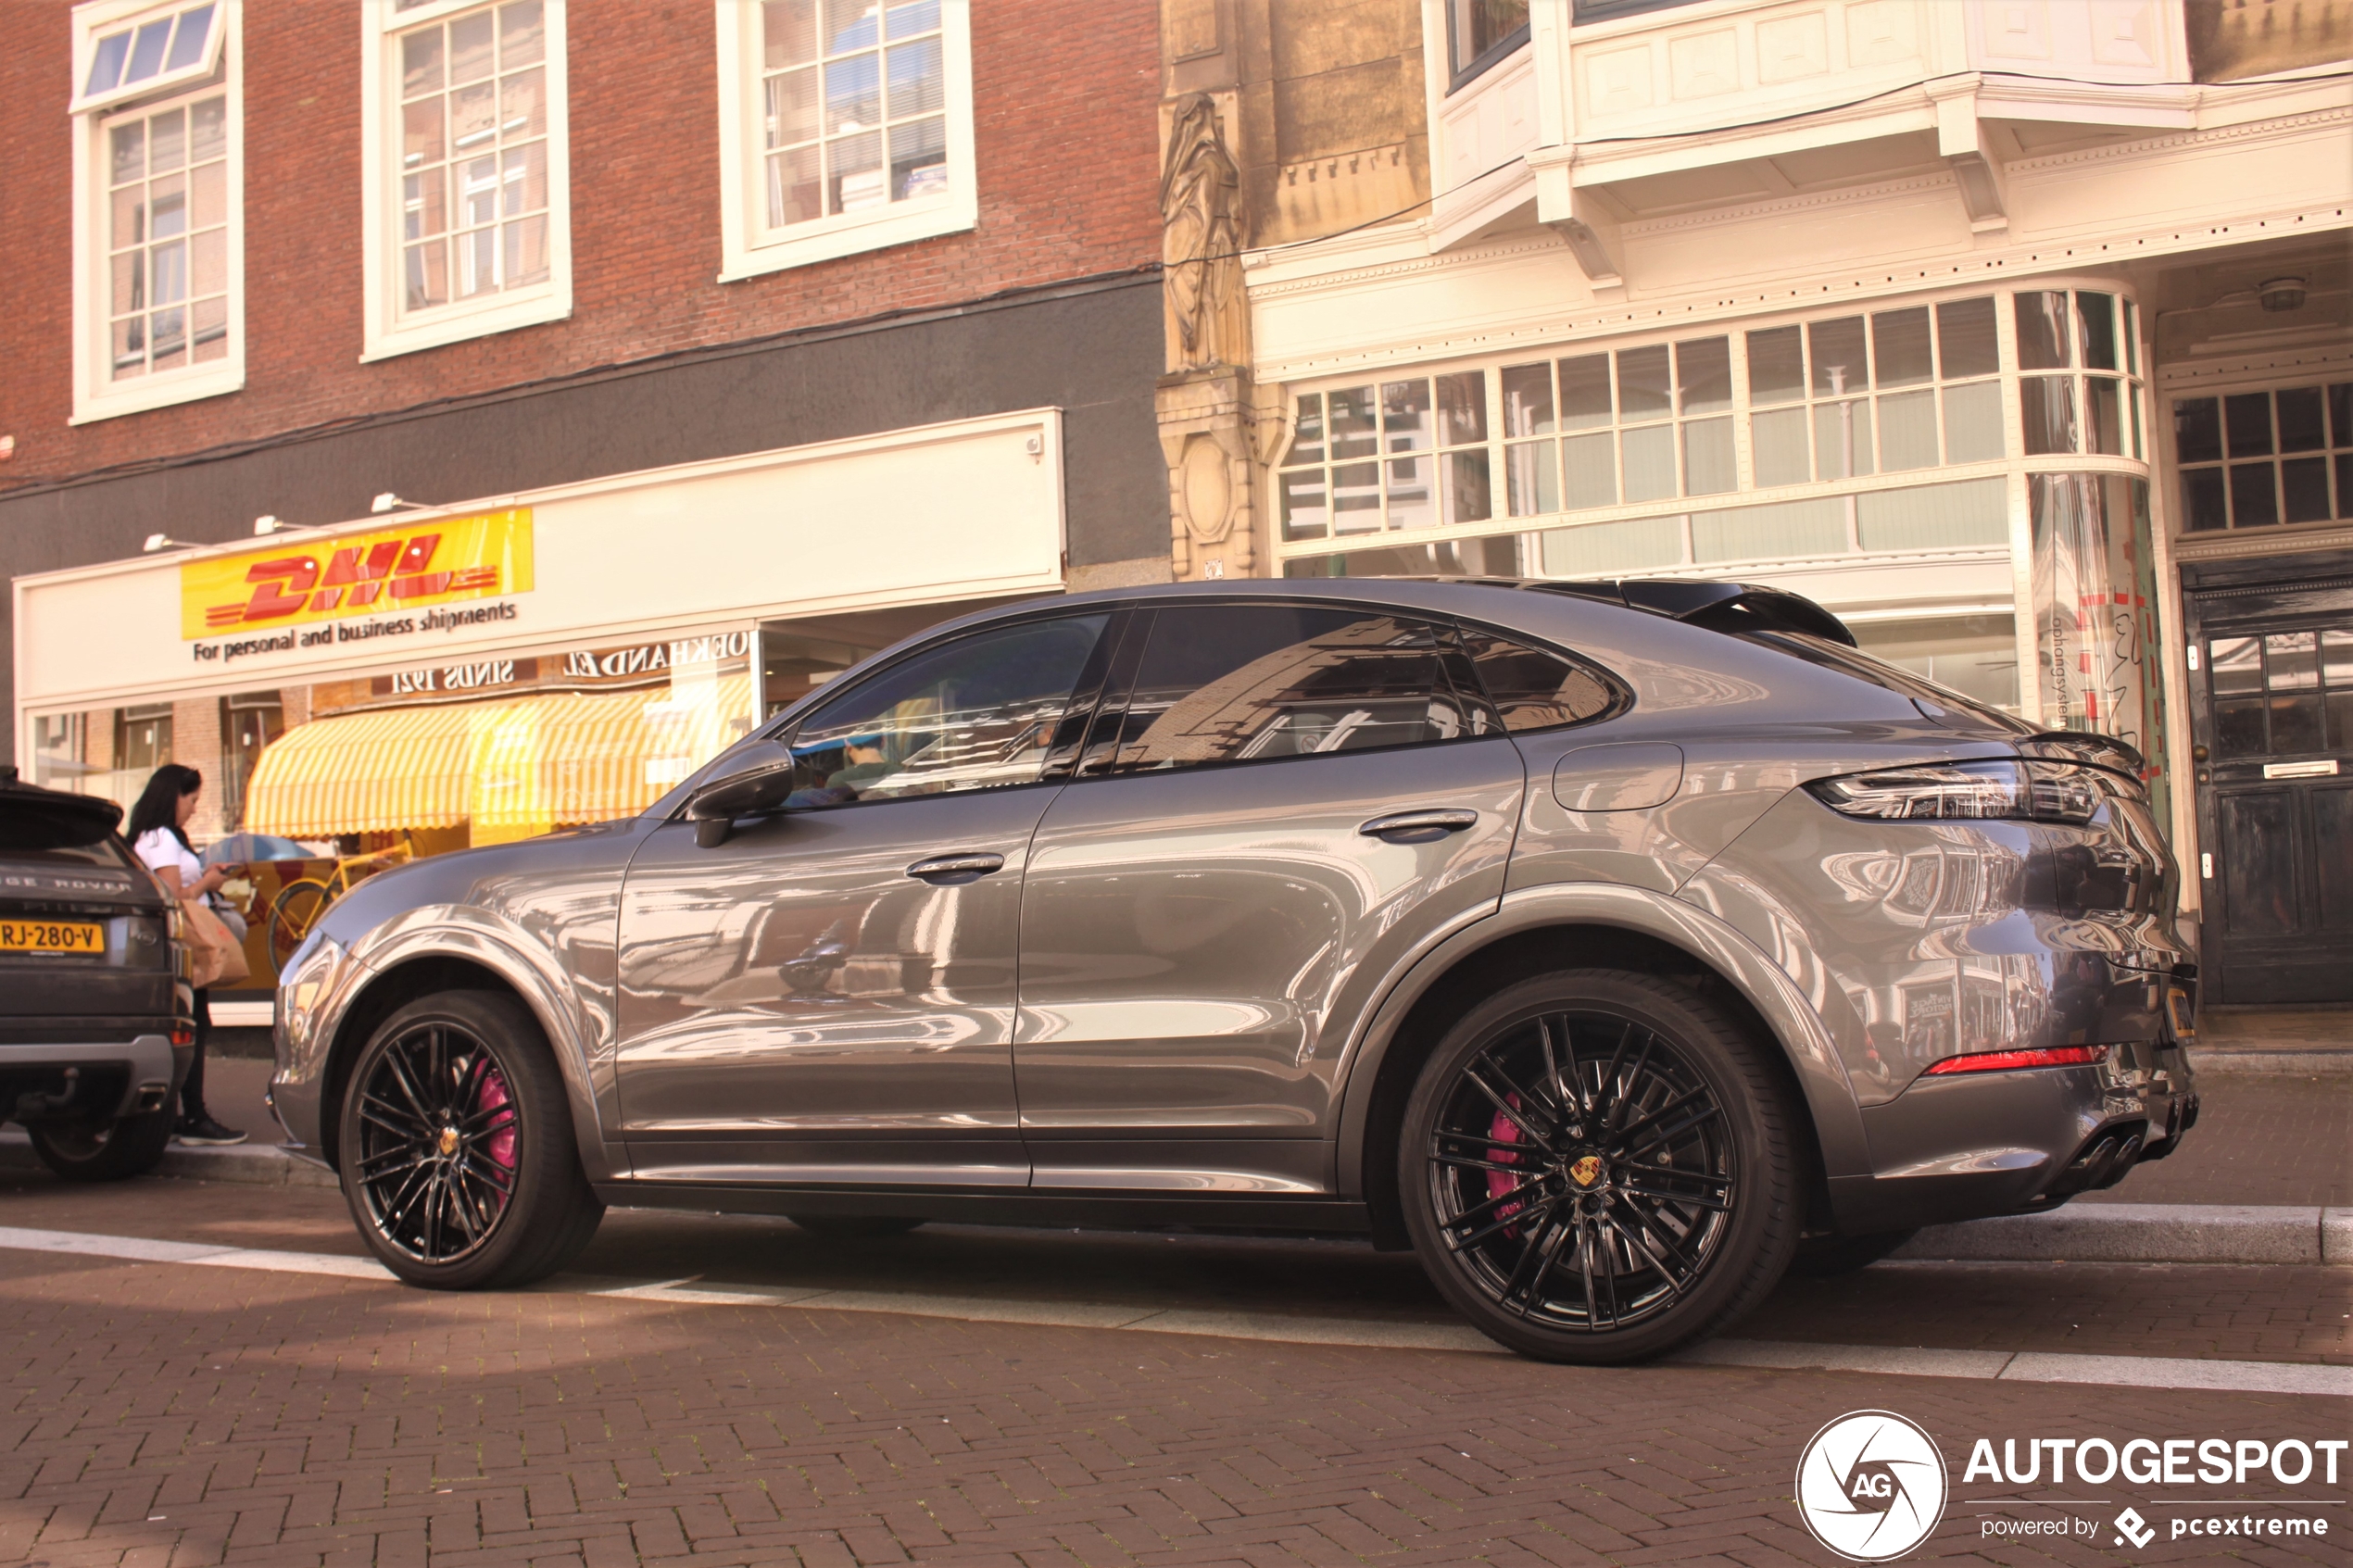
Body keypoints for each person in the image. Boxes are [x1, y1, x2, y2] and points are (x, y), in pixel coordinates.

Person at [124, 764, 246, 1147]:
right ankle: (193, 1115)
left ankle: (181, 1114)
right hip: (180, 949)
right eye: (191, 800)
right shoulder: (160, 837)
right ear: (173, 796)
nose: (194, 808)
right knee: (193, 1027)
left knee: (191, 1026)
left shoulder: (159, 836)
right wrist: (207, 882)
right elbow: (172, 897)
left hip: (175, 949)